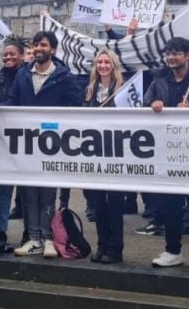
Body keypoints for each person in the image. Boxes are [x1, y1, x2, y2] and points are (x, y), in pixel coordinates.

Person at [4, 31, 82, 257]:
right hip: (28, 143)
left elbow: (76, 104)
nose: (38, 48)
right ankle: (34, 238)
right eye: (36, 44)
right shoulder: (22, 75)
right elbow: (13, 101)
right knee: (29, 193)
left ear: (53, 50)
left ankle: (48, 239)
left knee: (48, 192)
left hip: (52, 144)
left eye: (43, 45)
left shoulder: (64, 77)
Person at [146, 37, 189, 273]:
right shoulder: (159, 81)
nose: (170, 57)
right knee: (171, 206)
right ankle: (172, 251)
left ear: (188, 56)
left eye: (176, 53)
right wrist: (153, 105)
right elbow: (143, 107)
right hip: (167, 152)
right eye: (168, 53)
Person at [84, 50, 126, 264]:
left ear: (113, 64)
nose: (102, 65)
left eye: (106, 61)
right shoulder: (90, 90)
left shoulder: (123, 89)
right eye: (99, 62)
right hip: (95, 154)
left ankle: (115, 248)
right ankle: (101, 244)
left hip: (116, 154)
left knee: (114, 204)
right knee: (98, 204)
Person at [0, 39, 25, 243]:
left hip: (23, 137)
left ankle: (30, 232)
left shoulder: (27, 75)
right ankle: (2, 230)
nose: (8, 57)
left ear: (21, 55)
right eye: (6, 54)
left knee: (26, 187)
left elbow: (20, 101)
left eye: (13, 54)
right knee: (3, 186)